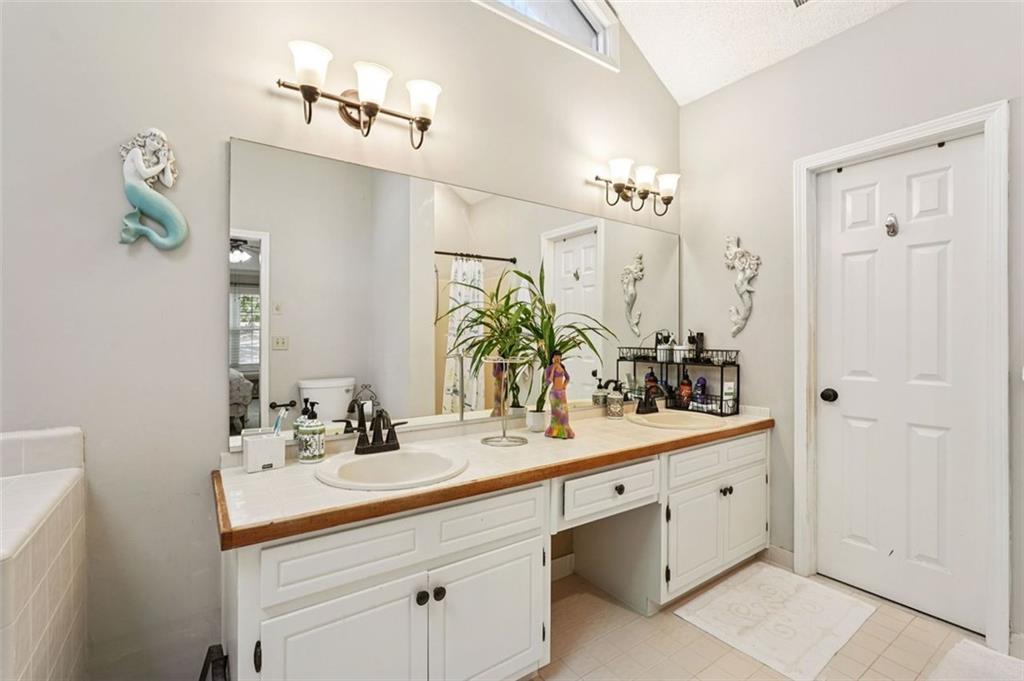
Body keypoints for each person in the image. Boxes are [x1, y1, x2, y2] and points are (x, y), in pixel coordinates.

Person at [544, 351, 574, 439]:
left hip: (562, 393)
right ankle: (554, 432)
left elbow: (568, 378)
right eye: (555, 356)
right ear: (552, 357)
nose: (557, 358)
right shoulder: (549, 368)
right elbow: (547, 382)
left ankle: (564, 432)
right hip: (554, 393)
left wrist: (564, 386)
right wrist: (553, 369)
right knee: (556, 414)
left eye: (559, 356)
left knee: (564, 414)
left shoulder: (562, 367)